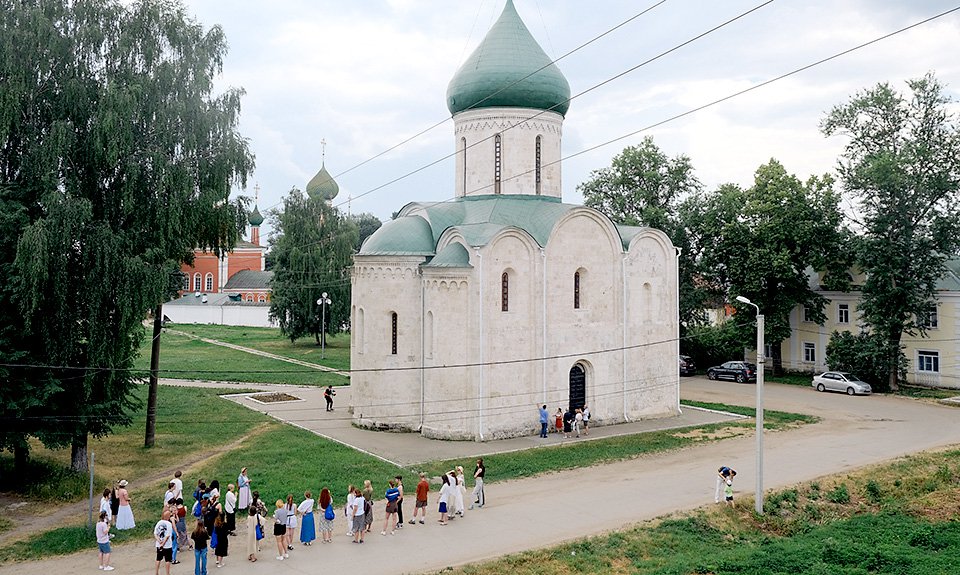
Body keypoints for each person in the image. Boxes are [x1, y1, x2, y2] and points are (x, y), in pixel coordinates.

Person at [246, 491, 266, 563]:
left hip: (250, 531)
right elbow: (263, 520)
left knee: (250, 543)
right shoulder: (257, 516)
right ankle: (254, 556)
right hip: (255, 530)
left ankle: (249, 555)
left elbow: (247, 524)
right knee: (255, 543)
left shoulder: (249, 517)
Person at [154, 509, 174, 575]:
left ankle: (156, 572)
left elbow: (155, 533)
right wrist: (163, 543)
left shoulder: (159, 522)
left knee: (158, 559)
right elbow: (167, 536)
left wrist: (159, 541)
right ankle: (167, 573)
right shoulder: (169, 524)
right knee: (167, 560)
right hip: (167, 545)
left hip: (158, 545)